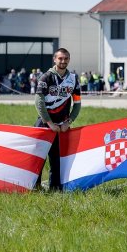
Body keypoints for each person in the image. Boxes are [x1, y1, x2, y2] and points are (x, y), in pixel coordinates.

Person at [33, 48, 81, 191]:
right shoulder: (46, 77)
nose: (63, 61)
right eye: (60, 58)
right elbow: (39, 102)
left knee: (58, 159)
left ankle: (55, 189)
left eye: (66, 58)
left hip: (62, 126)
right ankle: (35, 188)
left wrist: (69, 122)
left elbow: (77, 103)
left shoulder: (73, 79)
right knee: (39, 159)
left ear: (69, 60)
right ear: (55, 59)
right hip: (44, 123)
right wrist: (49, 123)